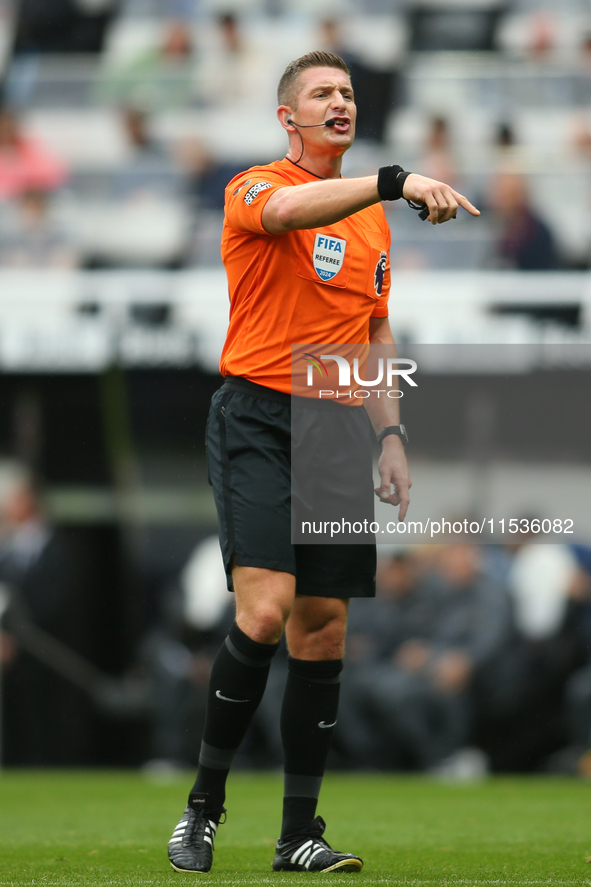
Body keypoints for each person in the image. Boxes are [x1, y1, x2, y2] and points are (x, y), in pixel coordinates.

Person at [167, 50, 479, 875]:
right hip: (259, 416)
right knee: (264, 610)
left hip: (339, 425)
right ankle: (202, 806)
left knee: (323, 625)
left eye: (345, 91)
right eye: (320, 94)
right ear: (288, 118)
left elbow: (373, 331)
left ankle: (298, 833)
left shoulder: (371, 221)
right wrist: (393, 179)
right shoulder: (254, 186)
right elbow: (290, 214)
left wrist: (390, 434)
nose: (338, 101)